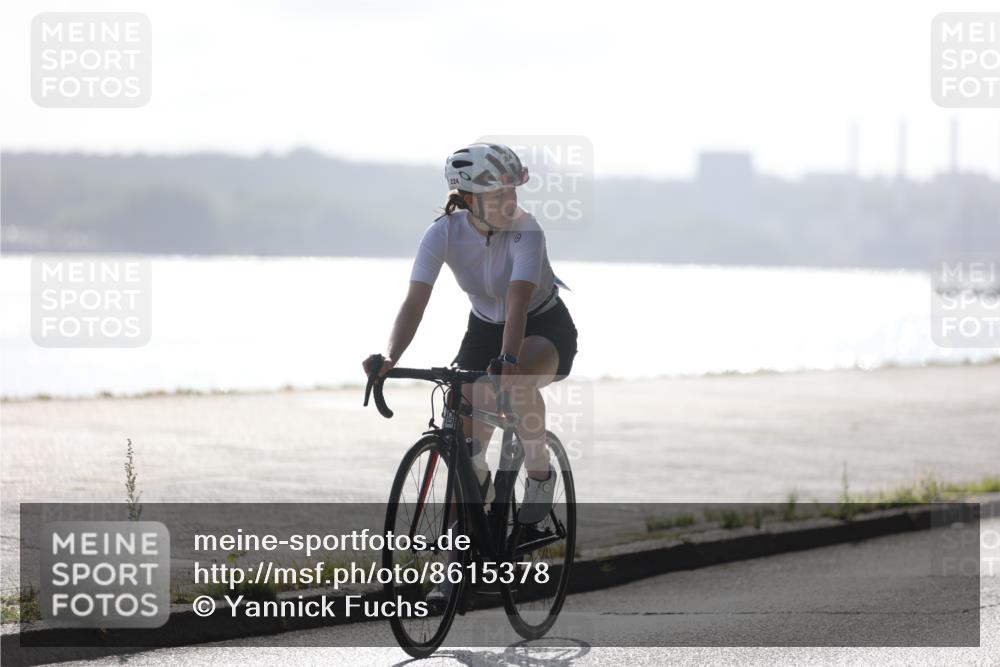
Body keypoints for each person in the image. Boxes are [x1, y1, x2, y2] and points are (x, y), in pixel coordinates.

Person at [362, 142, 578, 603]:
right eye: (499, 194)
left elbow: (518, 304)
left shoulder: (526, 230)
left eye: (512, 192)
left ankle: (540, 479)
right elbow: (414, 302)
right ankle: (463, 548)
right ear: (467, 199)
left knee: (516, 386)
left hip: (541, 325)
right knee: (462, 426)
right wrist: (391, 357)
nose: (510, 202)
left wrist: (508, 363)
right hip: (482, 330)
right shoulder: (442, 233)